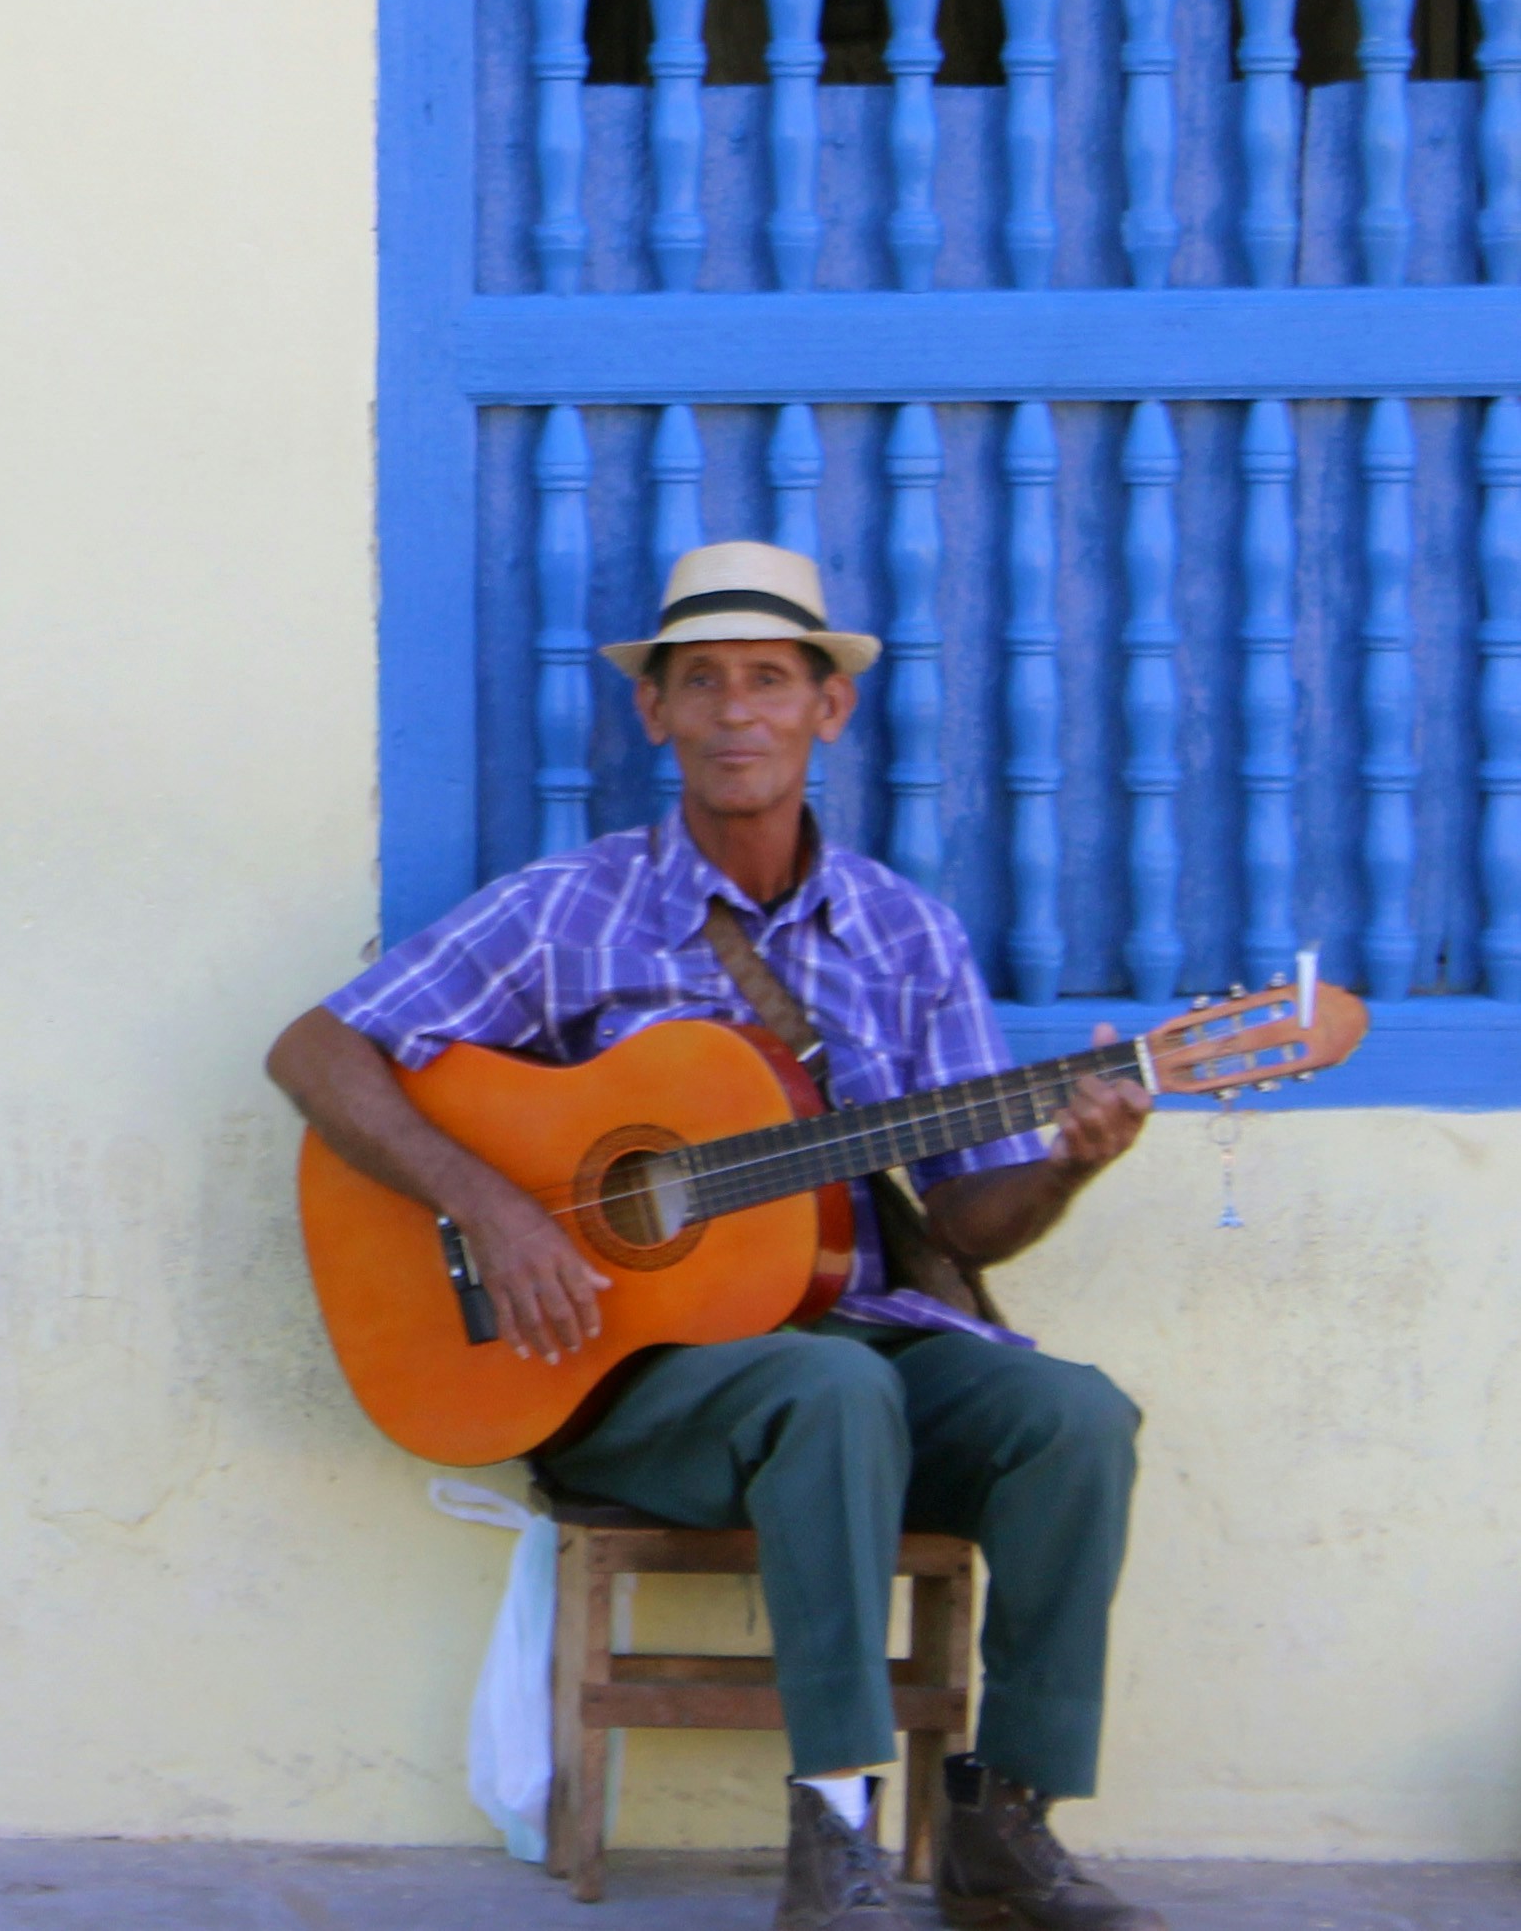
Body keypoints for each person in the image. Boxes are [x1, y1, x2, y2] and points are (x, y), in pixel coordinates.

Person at [269, 543, 1160, 1931]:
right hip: (622, 1375)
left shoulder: (905, 936)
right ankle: (838, 1825)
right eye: (702, 683)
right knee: (832, 1385)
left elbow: (974, 1208)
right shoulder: (571, 907)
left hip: (853, 1339)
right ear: (655, 714)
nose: (737, 711)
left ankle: (1008, 1822)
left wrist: (1069, 1165)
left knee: (1073, 1415)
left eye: (770, 680)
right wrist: (495, 1209)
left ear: (829, 710)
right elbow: (319, 1051)